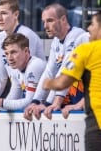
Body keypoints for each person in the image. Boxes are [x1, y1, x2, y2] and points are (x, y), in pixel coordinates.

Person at [42, 11, 101, 151]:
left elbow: (62, 82)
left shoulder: (87, 50)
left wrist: (47, 83)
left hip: (97, 125)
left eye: (93, 24)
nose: (89, 29)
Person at [23, 3, 89, 121]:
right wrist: (36, 101)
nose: (45, 26)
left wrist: (51, 103)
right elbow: (49, 73)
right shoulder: (56, 41)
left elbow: (66, 71)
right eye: (44, 22)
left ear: (63, 19)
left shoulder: (77, 37)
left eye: (50, 21)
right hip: (75, 101)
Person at [0, 0, 45, 99]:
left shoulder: (26, 35)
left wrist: (4, 103)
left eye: (4, 13)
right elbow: (0, 75)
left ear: (16, 14)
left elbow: (25, 76)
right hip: (18, 92)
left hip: (37, 96)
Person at [0, 33, 46, 114]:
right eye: (6, 54)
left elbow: (30, 102)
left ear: (26, 51)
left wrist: (0, 103)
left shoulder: (35, 65)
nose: (9, 58)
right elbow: (13, 99)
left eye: (13, 52)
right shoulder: (16, 69)